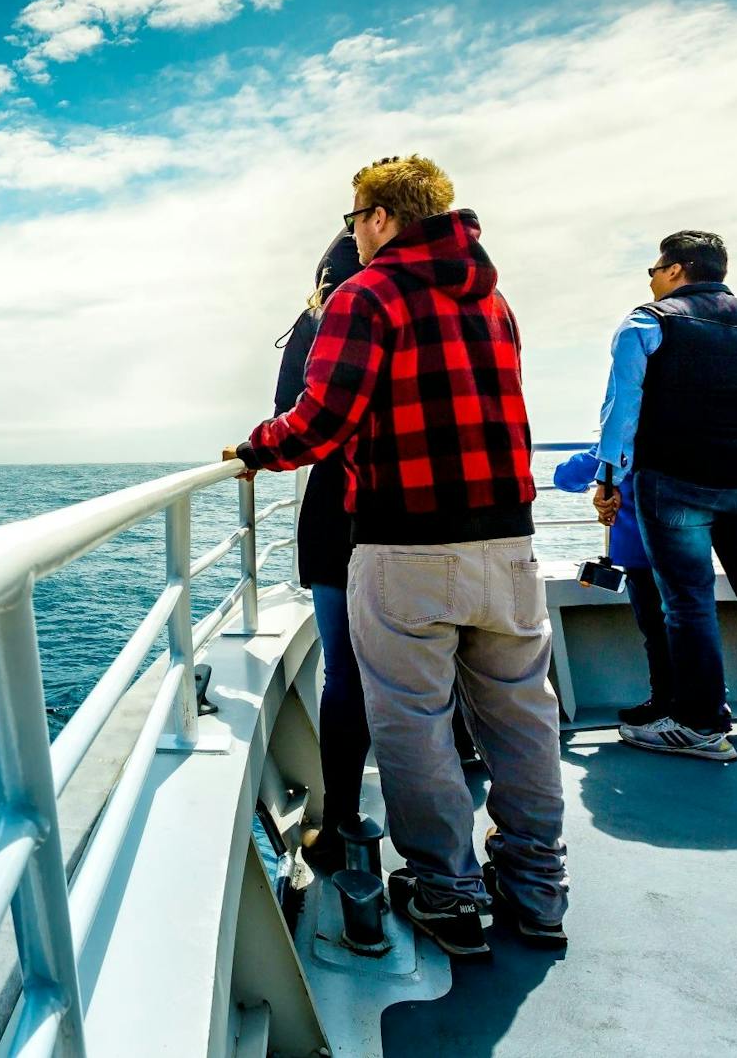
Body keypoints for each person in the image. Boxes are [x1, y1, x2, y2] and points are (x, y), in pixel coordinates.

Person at [226, 155, 567, 957]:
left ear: (379, 217)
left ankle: (449, 897)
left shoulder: (366, 293)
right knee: (521, 717)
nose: (354, 232)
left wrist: (252, 448)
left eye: (355, 219)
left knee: (412, 723)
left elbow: (319, 422)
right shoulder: (494, 298)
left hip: (409, 545)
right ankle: (538, 889)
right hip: (510, 541)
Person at [599, 233, 737, 759]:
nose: (650, 278)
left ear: (676, 270)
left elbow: (621, 410)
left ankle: (699, 724)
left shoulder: (648, 320)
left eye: (654, 268)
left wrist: (608, 478)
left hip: (677, 484)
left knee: (687, 602)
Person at [272, 231, 371, 873]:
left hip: (340, 509)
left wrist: (258, 451)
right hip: (435, 509)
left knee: (347, 670)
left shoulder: (321, 317)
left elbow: (292, 417)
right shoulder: (456, 305)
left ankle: (340, 823)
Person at [552, 449, 669, 723]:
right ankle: (709, 699)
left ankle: (664, 702)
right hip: (688, 548)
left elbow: (565, 477)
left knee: (657, 631)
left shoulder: (618, 448)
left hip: (640, 553)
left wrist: (603, 479)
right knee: (689, 626)